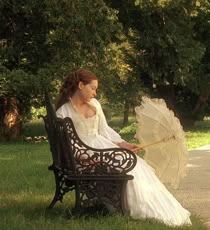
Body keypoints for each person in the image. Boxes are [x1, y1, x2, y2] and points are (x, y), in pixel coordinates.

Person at [56, 69, 192, 227]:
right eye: (92, 88)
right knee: (128, 167)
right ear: (80, 85)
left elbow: (104, 130)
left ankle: (155, 208)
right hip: (83, 153)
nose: (95, 93)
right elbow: (67, 144)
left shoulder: (95, 105)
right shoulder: (63, 112)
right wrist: (85, 158)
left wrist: (123, 144)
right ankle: (135, 208)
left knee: (136, 164)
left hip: (102, 146)